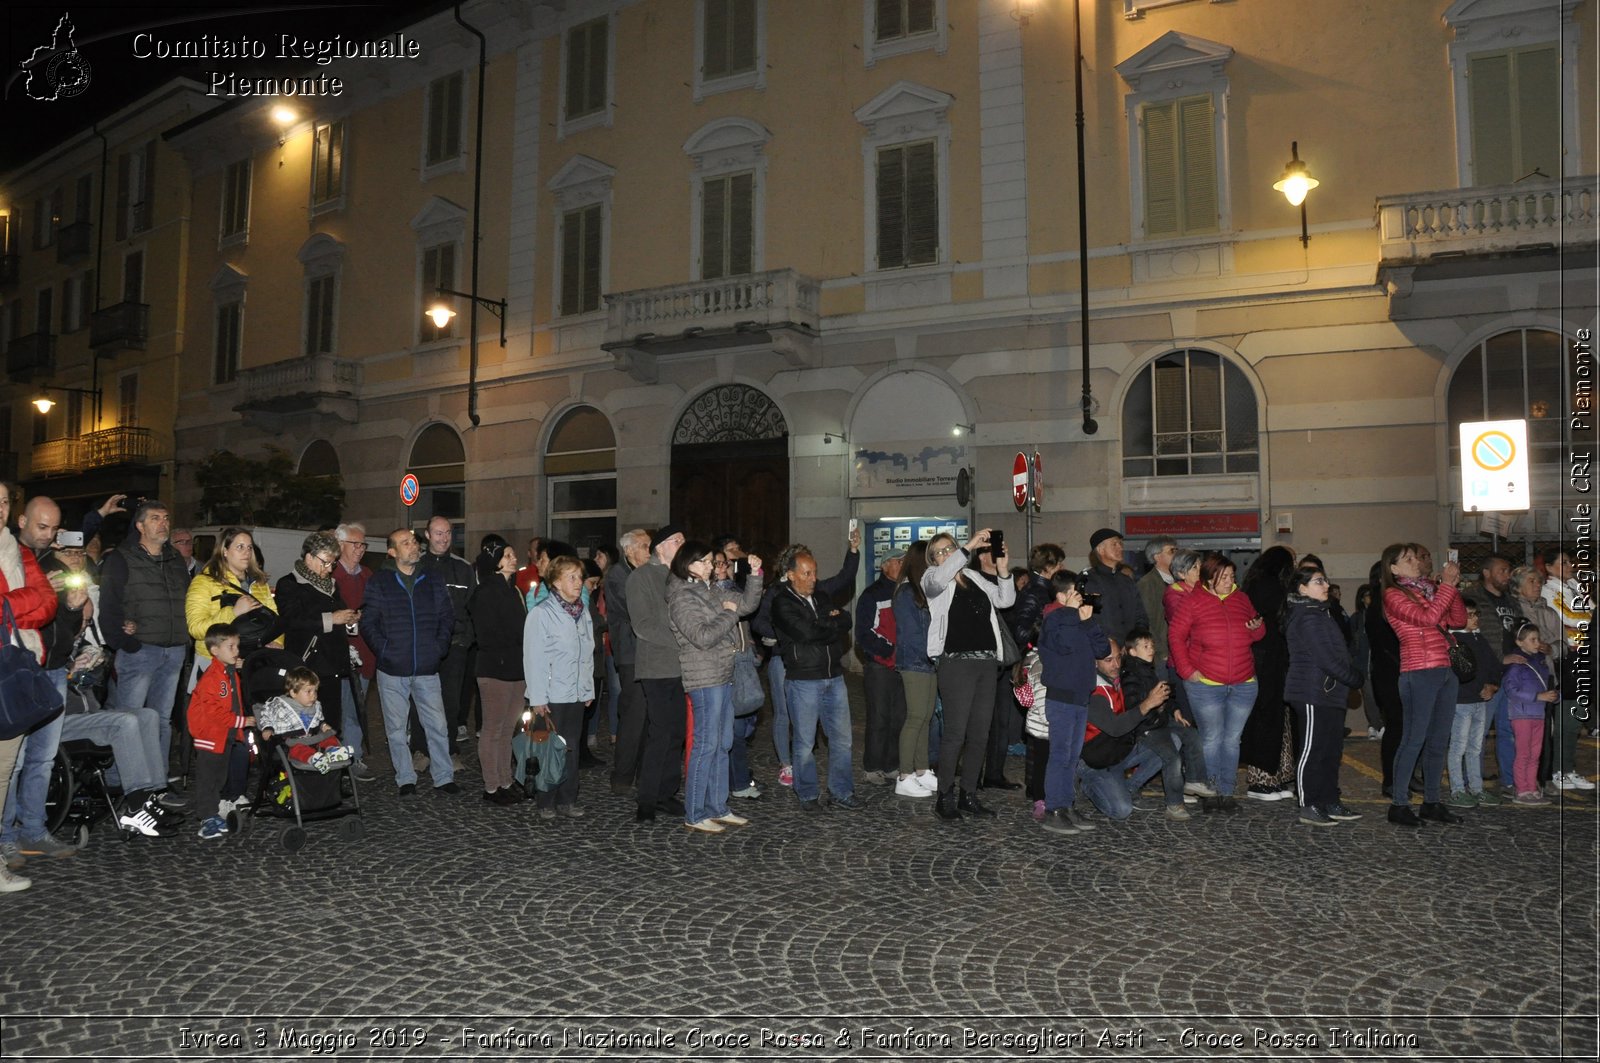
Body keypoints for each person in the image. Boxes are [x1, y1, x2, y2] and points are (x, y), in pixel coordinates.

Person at [1, 496, 83, 866]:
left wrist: (68, 605)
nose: (49, 535)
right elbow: (9, 611)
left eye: (54, 528)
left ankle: (33, 831)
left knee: (43, 759)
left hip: (52, 666)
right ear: (22, 520)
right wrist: (35, 599)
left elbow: (49, 608)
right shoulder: (11, 554)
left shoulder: (42, 558)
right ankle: (6, 837)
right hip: (17, 667)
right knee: (10, 761)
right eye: (42, 526)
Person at [667, 541, 766, 832]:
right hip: (703, 676)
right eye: (705, 562)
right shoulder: (681, 597)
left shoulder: (709, 590)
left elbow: (745, 606)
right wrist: (728, 612)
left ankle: (718, 806)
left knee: (722, 744)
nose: (712, 566)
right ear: (688, 565)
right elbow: (702, 636)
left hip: (723, 673)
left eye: (712, 561)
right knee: (705, 745)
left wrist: (756, 576)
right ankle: (695, 813)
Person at [752, 529, 861, 788]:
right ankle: (787, 766)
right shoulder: (778, 594)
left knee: (838, 736)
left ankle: (841, 791)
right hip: (788, 660)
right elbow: (760, 621)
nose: (813, 576)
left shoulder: (819, 591)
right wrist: (782, 635)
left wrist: (853, 552)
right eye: (806, 570)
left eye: (814, 569)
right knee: (784, 715)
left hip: (826, 668)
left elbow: (843, 614)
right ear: (791, 570)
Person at [921, 528, 1015, 820]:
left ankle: (968, 795)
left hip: (986, 664)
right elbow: (940, 576)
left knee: (979, 734)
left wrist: (1002, 571)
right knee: (955, 733)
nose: (947, 554)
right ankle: (945, 796)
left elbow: (1005, 601)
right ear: (933, 559)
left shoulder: (974, 578)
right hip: (956, 664)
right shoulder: (931, 579)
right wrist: (969, 545)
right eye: (941, 551)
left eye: (950, 548)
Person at [97, 499, 190, 779]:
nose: (163, 523)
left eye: (165, 518)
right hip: (140, 651)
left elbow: (185, 600)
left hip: (173, 650)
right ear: (139, 525)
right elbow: (109, 605)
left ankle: (156, 781)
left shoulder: (175, 560)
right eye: (155, 518)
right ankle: (123, 780)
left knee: (161, 720)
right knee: (130, 718)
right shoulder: (122, 558)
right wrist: (125, 642)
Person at [361, 528, 457, 796]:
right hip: (392, 669)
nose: (413, 546)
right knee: (395, 729)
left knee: (437, 725)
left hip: (427, 666)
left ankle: (443, 776)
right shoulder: (380, 581)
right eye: (406, 543)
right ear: (392, 551)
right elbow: (368, 623)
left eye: (414, 541)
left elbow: (447, 616)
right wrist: (386, 650)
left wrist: (438, 648)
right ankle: (405, 778)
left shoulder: (432, 578)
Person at [1167, 552, 1265, 812]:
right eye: (1224, 577)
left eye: (1232, 576)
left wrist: (1256, 627)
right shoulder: (1192, 601)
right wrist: (1187, 670)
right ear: (1209, 578)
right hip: (1205, 684)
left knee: (1232, 740)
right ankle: (1211, 792)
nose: (1229, 580)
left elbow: (1258, 633)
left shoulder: (1241, 598)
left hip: (1244, 682)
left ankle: (1227, 792)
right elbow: (1175, 636)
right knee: (1212, 739)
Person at [1380, 542, 1467, 827]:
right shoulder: (1393, 595)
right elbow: (1428, 619)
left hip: (1445, 669)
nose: (1415, 562)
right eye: (1407, 559)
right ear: (1393, 568)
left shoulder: (1430, 589)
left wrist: (1447, 587)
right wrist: (1448, 587)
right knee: (1413, 740)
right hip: (1418, 671)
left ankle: (1431, 802)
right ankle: (1399, 804)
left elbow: (1458, 619)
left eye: (1415, 557)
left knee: (1439, 741)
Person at [273, 533, 370, 782]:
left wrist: (349, 617)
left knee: (330, 723)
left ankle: (331, 779)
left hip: (333, 665)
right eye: (325, 562)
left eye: (333, 563)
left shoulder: (332, 585)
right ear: (308, 556)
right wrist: (333, 619)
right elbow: (292, 621)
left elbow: (338, 613)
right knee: (305, 726)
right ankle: (305, 776)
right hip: (307, 666)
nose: (329, 568)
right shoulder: (289, 584)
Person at [0, 484, 58, 890]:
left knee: (3, 771)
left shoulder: (16, 552)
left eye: (3, 500)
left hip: (10, 670)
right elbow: (32, 601)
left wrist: (6, 606)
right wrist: (18, 606)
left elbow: (47, 602)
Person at [1283, 567, 1365, 826]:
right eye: (1319, 581)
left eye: (1326, 580)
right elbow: (1326, 658)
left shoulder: (1320, 612)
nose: (1326, 585)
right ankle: (1309, 805)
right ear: (1302, 588)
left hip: (1329, 692)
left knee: (1331, 751)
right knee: (1313, 750)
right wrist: (1354, 678)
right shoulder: (1307, 616)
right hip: (1311, 692)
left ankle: (1329, 800)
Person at [1076, 640, 1186, 822]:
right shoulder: (1092, 689)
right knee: (1122, 810)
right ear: (1094, 662)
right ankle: (1090, 786)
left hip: (1120, 752)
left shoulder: (1118, 678)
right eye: (1109, 660)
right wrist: (1148, 704)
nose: (1116, 665)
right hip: (1097, 761)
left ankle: (1129, 787)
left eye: (1119, 658)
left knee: (1172, 741)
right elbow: (1116, 727)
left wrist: (1159, 708)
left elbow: (1133, 718)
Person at [1036, 569, 1109, 834]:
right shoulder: (1054, 619)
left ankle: (1066, 805)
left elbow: (1103, 650)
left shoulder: (1076, 618)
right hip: (1062, 698)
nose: (1081, 598)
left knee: (1072, 756)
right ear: (1062, 596)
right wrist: (1071, 613)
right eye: (1075, 593)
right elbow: (1064, 645)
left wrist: (1088, 622)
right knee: (1060, 755)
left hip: (1080, 697)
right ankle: (1054, 808)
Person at [523, 556, 595, 821]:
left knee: (571, 748)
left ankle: (567, 799)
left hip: (575, 694)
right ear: (555, 582)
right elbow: (533, 659)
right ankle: (545, 800)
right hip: (551, 696)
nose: (578, 583)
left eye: (579, 576)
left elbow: (587, 654)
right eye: (571, 577)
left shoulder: (582, 613)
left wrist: (587, 689)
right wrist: (538, 697)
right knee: (549, 748)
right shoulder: (541, 614)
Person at [627, 526, 690, 822]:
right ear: (661, 547)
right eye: (677, 541)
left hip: (682, 667)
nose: (683, 545)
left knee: (676, 733)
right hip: (656, 668)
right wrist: (683, 637)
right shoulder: (640, 577)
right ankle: (648, 799)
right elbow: (643, 625)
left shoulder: (681, 577)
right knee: (660, 732)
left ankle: (666, 793)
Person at [1122, 627, 1212, 802]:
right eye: (1145, 646)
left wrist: (1175, 709)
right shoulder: (1130, 675)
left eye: (1152, 645)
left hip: (1161, 719)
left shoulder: (1149, 670)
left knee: (1191, 734)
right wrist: (1152, 703)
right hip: (1146, 725)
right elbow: (1134, 705)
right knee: (1172, 756)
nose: (1151, 649)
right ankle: (1174, 803)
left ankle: (1195, 780)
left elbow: (1165, 694)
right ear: (1133, 652)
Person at [469, 540, 526, 806]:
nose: (514, 558)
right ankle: (491, 786)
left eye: (513, 553)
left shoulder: (514, 591)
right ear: (496, 562)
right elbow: (488, 634)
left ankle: (506, 780)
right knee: (492, 729)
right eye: (508, 554)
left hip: (516, 667)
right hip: (495, 668)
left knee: (507, 730)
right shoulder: (485, 593)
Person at [186, 624, 255, 841]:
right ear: (215, 650)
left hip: (222, 735)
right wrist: (241, 722)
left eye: (237, 646)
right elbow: (215, 710)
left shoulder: (227, 673)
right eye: (231, 647)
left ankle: (214, 812)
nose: (236, 651)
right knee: (209, 778)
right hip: (210, 735)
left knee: (219, 777)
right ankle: (207, 818)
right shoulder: (213, 677)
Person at [1240, 546, 1296, 802]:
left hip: (1266, 659)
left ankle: (1274, 775)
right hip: (1267, 661)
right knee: (1268, 716)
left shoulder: (1255, 583)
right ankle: (1262, 779)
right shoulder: (1271, 587)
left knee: (1276, 717)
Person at [418, 516, 475, 765]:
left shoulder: (463, 568)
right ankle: (421, 751)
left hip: (455, 646)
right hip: (423, 646)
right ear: (427, 535)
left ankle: (450, 751)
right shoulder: (416, 566)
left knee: (451, 702)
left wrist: (466, 640)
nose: (444, 538)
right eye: (438, 533)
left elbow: (472, 607)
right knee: (421, 700)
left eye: (448, 533)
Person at [186, 527, 280, 673]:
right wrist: (233, 612)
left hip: (252, 662)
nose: (247, 552)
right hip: (214, 665)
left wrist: (277, 642)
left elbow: (274, 618)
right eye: (240, 547)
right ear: (224, 551)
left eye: (249, 547)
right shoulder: (204, 582)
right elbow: (196, 629)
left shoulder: (259, 584)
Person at [1538, 550, 1594, 792]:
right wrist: (1584, 618)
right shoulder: (1549, 590)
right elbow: (1571, 617)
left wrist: (1584, 617)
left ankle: (1569, 768)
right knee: (1565, 717)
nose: (1570, 565)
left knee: (1576, 717)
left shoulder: (1573, 586)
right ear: (1549, 568)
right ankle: (1559, 769)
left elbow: (1591, 612)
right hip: (1566, 657)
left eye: (1570, 561)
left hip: (1581, 654)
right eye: (1563, 562)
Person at [855, 550, 906, 787]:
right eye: (899, 561)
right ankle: (872, 767)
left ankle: (891, 765)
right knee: (879, 717)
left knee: (898, 718)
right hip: (880, 666)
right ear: (886, 566)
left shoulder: (905, 592)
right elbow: (863, 633)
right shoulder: (872, 595)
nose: (903, 565)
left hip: (901, 666)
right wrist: (887, 650)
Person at [892, 542, 938, 798]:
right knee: (915, 718)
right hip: (915, 662)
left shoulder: (920, 591)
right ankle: (905, 775)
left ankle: (922, 770)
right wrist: (930, 653)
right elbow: (911, 633)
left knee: (925, 718)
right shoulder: (907, 593)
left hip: (927, 662)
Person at [1446, 603, 1504, 809]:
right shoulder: (1453, 639)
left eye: (1476, 614)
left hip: (1480, 700)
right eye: (1469, 615)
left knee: (1475, 748)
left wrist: (1493, 686)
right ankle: (1457, 790)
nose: (1475, 618)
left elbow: (1494, 666)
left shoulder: (1479, 638)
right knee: (1458, 747)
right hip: (1461, 702)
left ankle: (1477, 789)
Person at [331, 523, 377, 778]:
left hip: (364, 653)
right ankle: (339, 756)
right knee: (339, 708)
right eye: (355, 544)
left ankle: (353, 757)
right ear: (340, 546)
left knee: (355, 708)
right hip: (335, 653)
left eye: (363, 545)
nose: (360, 549)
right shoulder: (330, 575)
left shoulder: (368, 575)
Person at [606, 529, 649, 797]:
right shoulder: (618, 575)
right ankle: (622, 777)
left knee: (648, 718)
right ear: (629, 550)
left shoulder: (644, 573)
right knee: (634, 716)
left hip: (648, 653)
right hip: (631, 654)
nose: (649, 550)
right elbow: (635, 610)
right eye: (644, 546)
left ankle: (644, 773)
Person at [255, 666, 353, 770]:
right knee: (298, 750)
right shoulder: (280, 706)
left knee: (329, 736)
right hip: (293, 741)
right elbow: (266, 715)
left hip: (312, 738)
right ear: (293, 693)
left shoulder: (315, 705)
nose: (314, 696)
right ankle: (314, 759)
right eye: (309, 691)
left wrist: (323, 725)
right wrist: (268, 728)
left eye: (315, 691)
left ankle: (333, 751)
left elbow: (318, 719)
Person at [1502, 621, 1556, 805]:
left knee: (1535, 754)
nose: (1537, 643)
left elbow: (1546, 686)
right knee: (1523, 754)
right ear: (1519, 642)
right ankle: (1521, 789)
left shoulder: (1540, 663)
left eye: (1537, 639)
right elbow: (1511, 690)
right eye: (1532, 639)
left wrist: (1554, 696)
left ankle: (1532, 787)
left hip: (1538, 715)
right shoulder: (1517, 665)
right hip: (1522, 715)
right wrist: (1538, 696)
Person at [1081, 528, 1146, 644]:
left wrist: (1135, 641)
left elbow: (1140, 615)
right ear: (1101, 550)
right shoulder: (1089, 581)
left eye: (1120, 544)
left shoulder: (1127, 581)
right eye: (1114, 544)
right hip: (1104, 649)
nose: (1120, 548)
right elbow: (1090, 618)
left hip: (1130, 648)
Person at [1136, 536, 1178, 667]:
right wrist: (1161, 651)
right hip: (1162, 654)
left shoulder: (1181, 580)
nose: (1177, 555)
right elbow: (1147, 621)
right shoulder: (1147, 583)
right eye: (1171, 551)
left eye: (1177, 550)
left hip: (1180, 651)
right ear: (1157, 557)